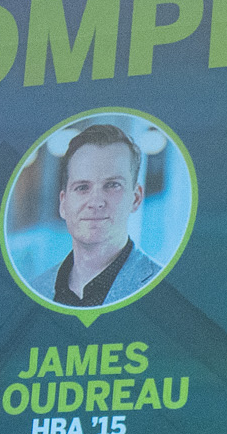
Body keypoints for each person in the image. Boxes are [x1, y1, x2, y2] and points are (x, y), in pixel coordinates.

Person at [48, 121, 162, 309]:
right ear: (63, 204)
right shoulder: (36, 287)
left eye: (112, 185)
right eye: (82, 187)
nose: (96, 202)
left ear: (135, 198)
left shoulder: (163, 288)